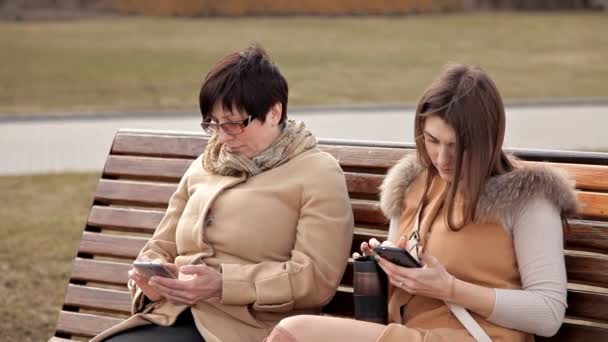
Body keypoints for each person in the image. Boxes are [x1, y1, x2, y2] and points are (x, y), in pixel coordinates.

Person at [265, 63, 577, 342]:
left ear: (487, 139)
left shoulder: (528, 197)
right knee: (289, 334)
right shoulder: (414, 184)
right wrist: (385, 266)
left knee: (293, 333)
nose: (442, 158)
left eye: (457, 146)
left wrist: (450, 289)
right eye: (432, 141)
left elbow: (548, 314)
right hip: (411, 334)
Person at [91, 45, 354, 342]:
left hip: (249, 330)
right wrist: (150, 284)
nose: (222, 137)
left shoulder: (318, 173)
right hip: (172, 316)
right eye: (214, 125)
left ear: (274, 112)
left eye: (233, 124)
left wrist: (223, 285)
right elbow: (159, 247)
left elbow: (316, 278)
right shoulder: (206, 164)